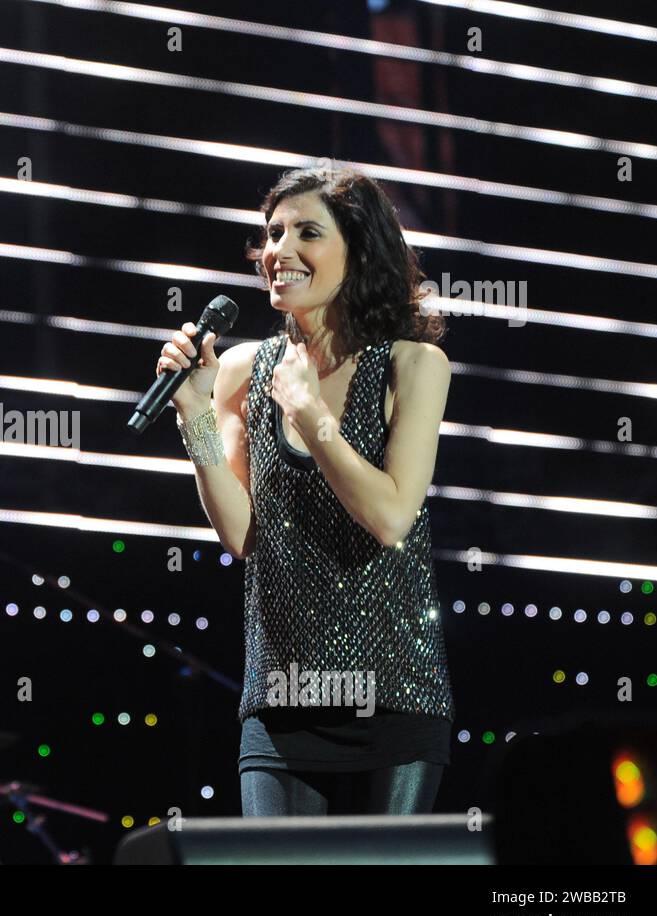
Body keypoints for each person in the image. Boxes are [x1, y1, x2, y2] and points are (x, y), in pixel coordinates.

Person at [157, 167, 455, 816]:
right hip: (281, 700)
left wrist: (313, 416)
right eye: (272, 234)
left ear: (359, 250)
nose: (279, 251)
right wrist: (197, 417)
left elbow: (390, 516)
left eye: (306, 233)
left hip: (396, 697)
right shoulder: (241, 369)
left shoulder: (412, 364)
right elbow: (242, 536)